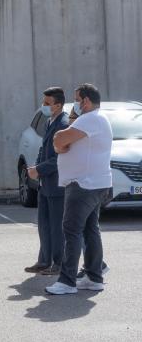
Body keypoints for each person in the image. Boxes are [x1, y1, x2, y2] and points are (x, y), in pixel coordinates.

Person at [46, 83, 113, 295]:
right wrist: (61, 143)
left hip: (83, 184)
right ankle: (94, 277)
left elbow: (59, 140)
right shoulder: (97, 119)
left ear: (85, 101)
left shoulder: (89, 118)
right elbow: (62, 143)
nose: (73, 104)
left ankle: (67, 281)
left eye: (76, 100)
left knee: (71, 230)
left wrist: (60, 141)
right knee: (90, 230)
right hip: (94, 183)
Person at [25, 87, 68, 276]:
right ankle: (44, 261)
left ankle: (59, 264)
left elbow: (60, 157)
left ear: (58, 105)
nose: (43, 106)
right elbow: (43, 150)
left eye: (47, 103)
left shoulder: (63, 124)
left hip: (57, 184)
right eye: (43, 102)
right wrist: (36, 167)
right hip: (45, 183)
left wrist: (39, 170)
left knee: (57, 227)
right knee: (44, 225)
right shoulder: (50, 122)